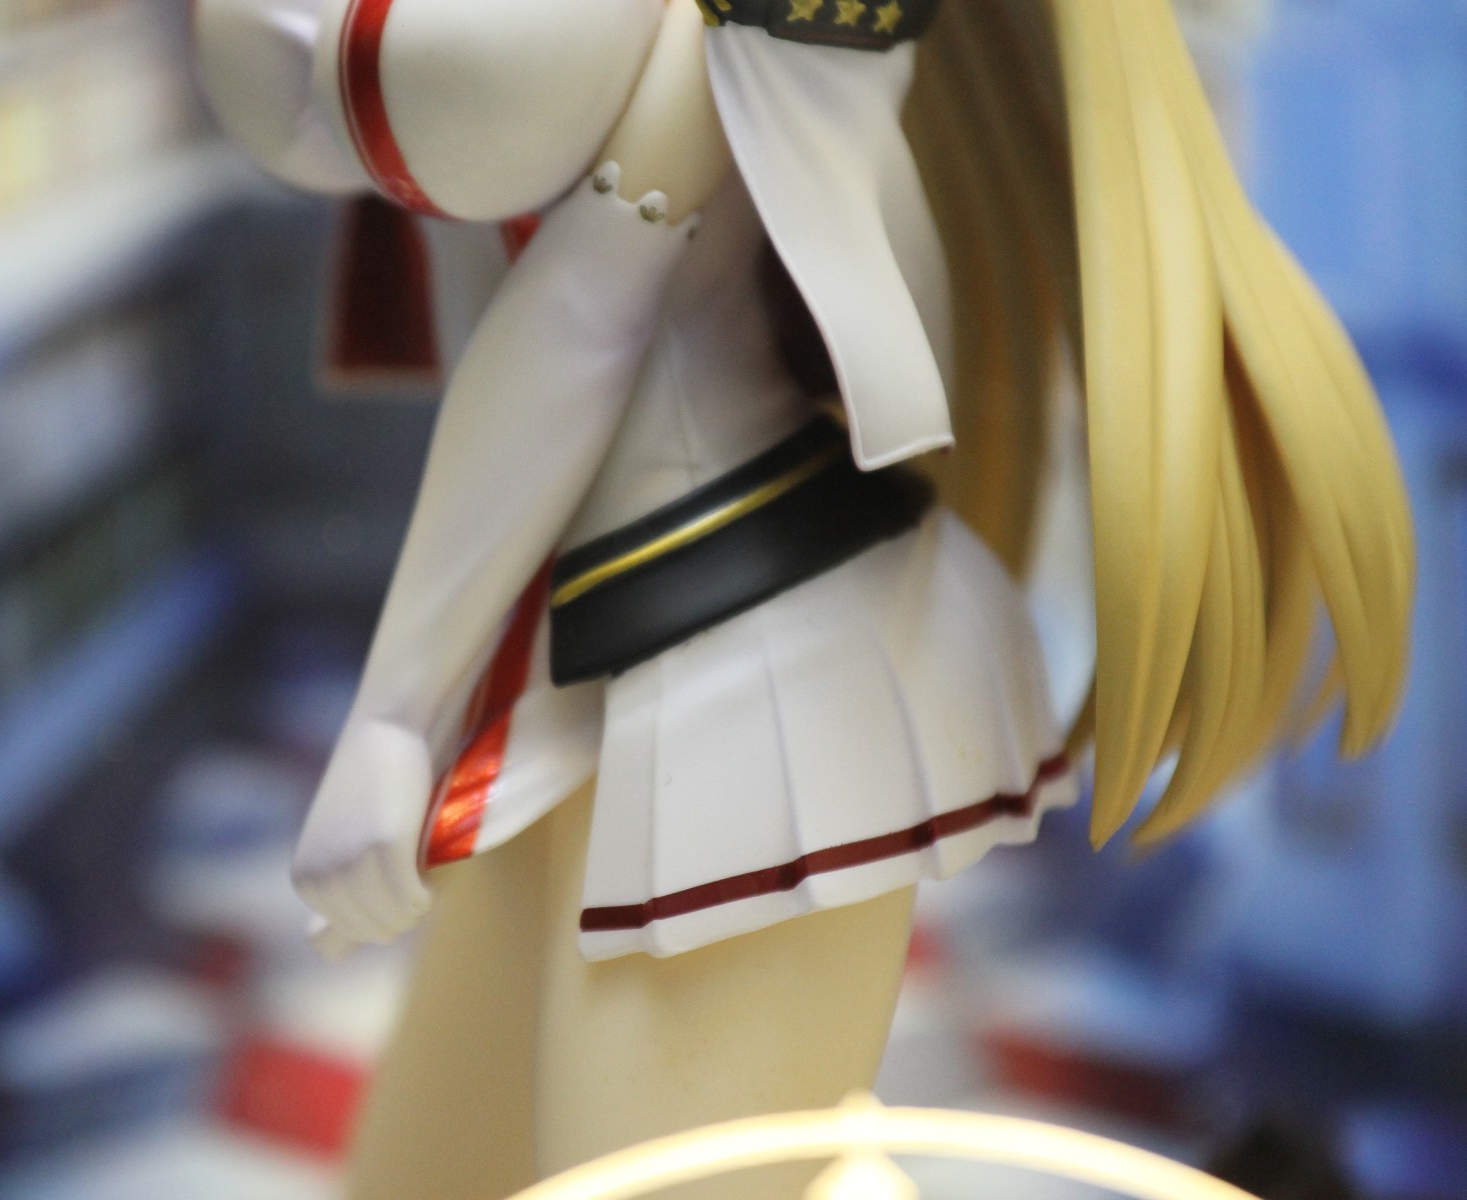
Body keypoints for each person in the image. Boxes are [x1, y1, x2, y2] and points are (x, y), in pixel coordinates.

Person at [195, 1, 1414, 1196]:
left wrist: (394, 713)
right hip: (580, 655)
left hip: (739, 672)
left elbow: (584, 313)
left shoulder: (732, 32)